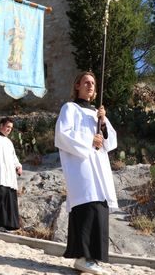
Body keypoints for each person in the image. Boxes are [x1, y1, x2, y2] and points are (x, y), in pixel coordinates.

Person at [54, 71, 118, 275]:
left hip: (99, 165)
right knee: (87, 205)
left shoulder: (97, 113)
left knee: (99, 206)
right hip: (80, 164)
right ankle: (83, 257)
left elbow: (111, 142)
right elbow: (62, 134)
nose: (90, 85)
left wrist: (104, 121)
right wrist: (89, 141)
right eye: (86, 82)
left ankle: (92, 258)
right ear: (77, 86)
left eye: (93, 83)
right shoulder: (70, 108)